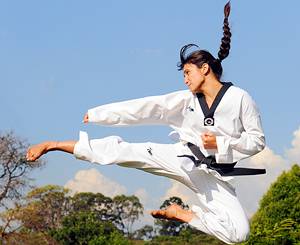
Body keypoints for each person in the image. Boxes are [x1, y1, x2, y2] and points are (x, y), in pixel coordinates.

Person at [26, 2, 266, 244]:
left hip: (214, 175)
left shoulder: (240, 98)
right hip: (182, 158)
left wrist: (221, 143)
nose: (185, 80)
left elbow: (257, 141)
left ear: (204, 69)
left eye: (187, 73)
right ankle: (53, 144)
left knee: (239, 234)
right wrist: (101, 114)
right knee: (126, 151)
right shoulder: (186, 100)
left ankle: (183, 214)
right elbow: (147, 108)